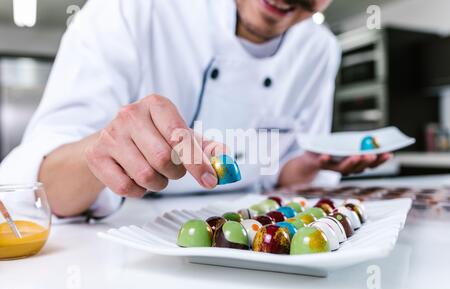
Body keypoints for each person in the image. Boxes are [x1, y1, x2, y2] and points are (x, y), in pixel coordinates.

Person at [0, 0, 391, 219]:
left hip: (258, 233)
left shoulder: (319, 49)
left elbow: (281, 168)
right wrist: (104, 151)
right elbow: (34, 190)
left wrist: (310, 165)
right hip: (124, 246)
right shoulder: (131, 10)